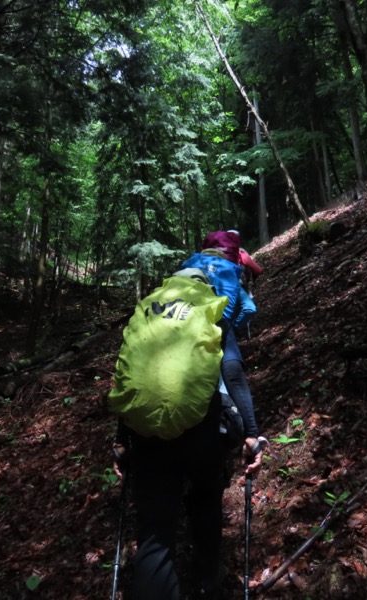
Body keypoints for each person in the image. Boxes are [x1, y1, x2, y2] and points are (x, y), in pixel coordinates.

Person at [112, 232, 265, 600]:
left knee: (154, 534)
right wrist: (252, 433)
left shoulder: (152, 303)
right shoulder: (210, 305)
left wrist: (121, 436)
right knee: (205, 499)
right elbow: (231, 370)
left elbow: (130, 368)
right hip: (198, 426)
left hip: (145, 430)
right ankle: (207, 577)